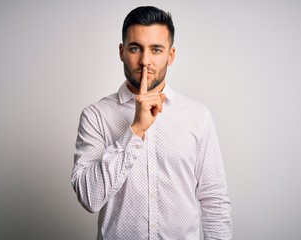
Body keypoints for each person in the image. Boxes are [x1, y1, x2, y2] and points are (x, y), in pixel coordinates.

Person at [71, 6, 232, 240]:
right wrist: (136, 130)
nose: (145, 61)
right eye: (135, 48)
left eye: (156, 49)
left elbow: (214, 199)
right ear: (121, 52)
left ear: (171, 55)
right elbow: (89, 198)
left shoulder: (198, 116)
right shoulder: (96, 116)